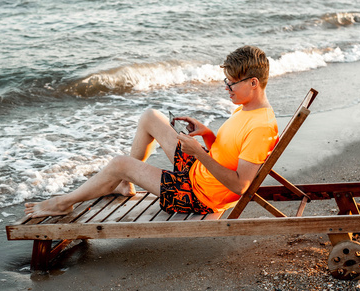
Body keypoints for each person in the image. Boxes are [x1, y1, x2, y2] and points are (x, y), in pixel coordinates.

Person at [25, 45, 278, 217]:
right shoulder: (246, 108)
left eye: (231, 83)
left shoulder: (260, 127)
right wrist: (208, 135)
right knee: (150, 117)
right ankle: (124, 184)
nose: (227, 88)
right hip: (198, 173)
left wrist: (198, 154)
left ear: (253, 83)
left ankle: (62, 203)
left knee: (119, 163)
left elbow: (240, 186)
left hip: (196, 195)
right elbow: (229, 153)